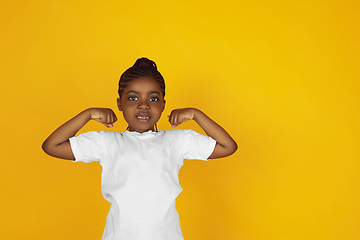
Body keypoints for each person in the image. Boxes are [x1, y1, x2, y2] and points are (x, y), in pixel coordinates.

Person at [42, 57, 237, 240]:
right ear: (120, 103)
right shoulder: (108, 143)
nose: (143, 106)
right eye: (133, 98)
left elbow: (227, 146)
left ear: (163, 105)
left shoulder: (176, 140)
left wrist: (196, 114)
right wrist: (87, 115)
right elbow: (52, 146)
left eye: (153, 99)